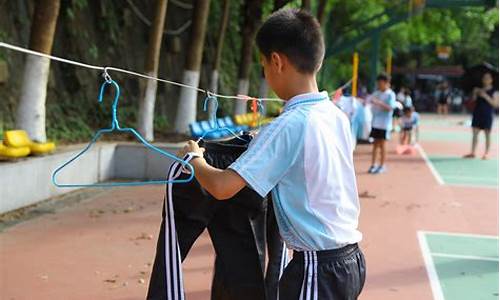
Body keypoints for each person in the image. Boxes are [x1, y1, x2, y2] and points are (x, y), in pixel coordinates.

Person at [177, 8, 365, 300]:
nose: (264, 74)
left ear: (276, 61)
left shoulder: (288, 124)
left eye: (263, 65)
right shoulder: (335, 115)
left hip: (317, 269)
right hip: (350, 260)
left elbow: (222, 187)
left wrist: (194, 159)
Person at [464, 72, 499, 160]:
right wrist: (475, 93)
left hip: (487, 114)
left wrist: (485, 96)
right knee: (475, 134)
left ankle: (486, 153)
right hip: (477, 113)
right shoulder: (479, 89)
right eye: (484, 78)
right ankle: (472, 152)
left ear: (491, 80)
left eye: (487, 78)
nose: (485, 80)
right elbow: (473, 101)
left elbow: (496, 104)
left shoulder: (495, 91)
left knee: (487, 134)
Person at [368, 73, 396, 174]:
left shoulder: (390, 94)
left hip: (384, 124)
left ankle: (382, 165)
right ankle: (373, 165)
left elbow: (390, 108)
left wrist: (379, 103)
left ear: (386, 83)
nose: (379, 84)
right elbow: (369, 102)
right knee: (375, 144)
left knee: (382, 145)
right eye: (378, 83)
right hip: (375, 123)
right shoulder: (376, 93)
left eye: (381, 83)